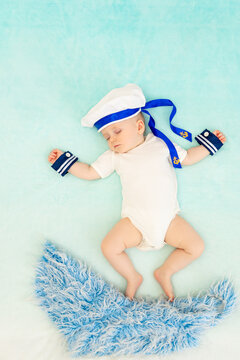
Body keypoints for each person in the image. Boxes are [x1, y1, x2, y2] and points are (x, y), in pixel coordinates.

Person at [48, 84, 226, 301]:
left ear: (140, 126)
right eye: (106, 137)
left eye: (117, 131)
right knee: (109, 246)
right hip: (135, 223)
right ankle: (132, 277)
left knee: (196, 247)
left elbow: (187, 158)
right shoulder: (114, 157)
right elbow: (90, 172)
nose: (112, 140)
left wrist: (209, 145)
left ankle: (165, 271)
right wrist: (65, 161)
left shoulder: (160, 145)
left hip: (169, 220)